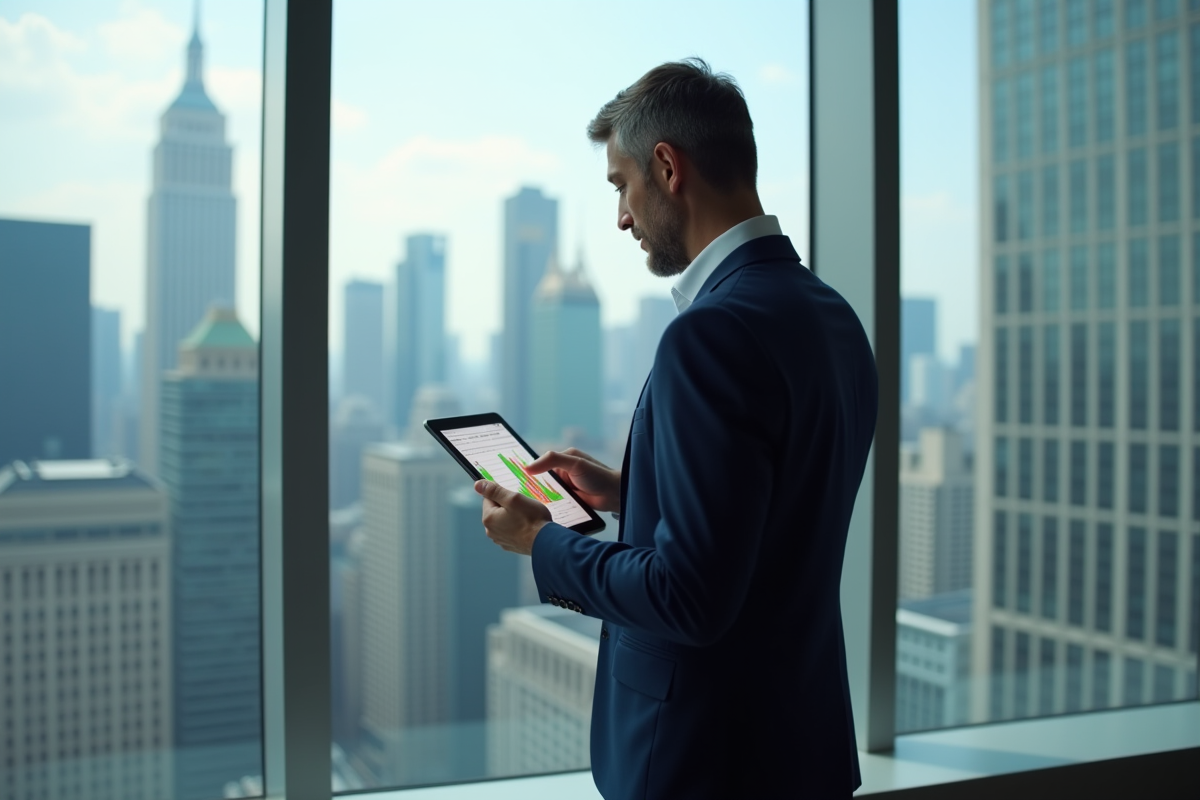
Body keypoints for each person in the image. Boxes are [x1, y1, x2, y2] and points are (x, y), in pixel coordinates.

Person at [474, 58, 876, 799]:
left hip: (703, 763)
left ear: (667, 167)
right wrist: (634, 490)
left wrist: (542, 540)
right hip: (802, 748)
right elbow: (777, 505)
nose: (622, 216)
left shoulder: (710, 335)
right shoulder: (832, 318)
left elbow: (689, 597)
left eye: (620, 186)